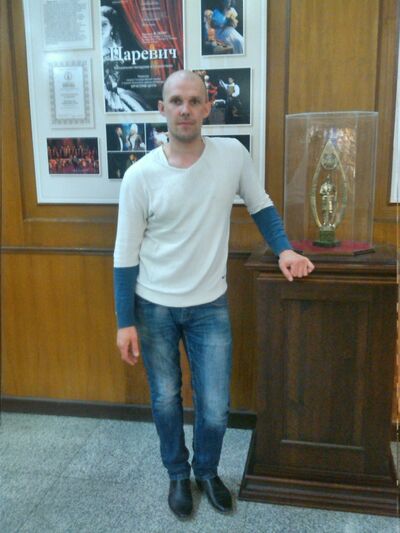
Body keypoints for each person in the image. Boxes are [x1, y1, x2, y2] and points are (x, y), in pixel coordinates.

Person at [113, 70, 314, 520]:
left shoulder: (232, 156)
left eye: (194, 101)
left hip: (209, 306)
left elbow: (261, 205)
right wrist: (125, 322)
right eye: (176, 101)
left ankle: (206, 471)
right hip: (154, 307)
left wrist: (284, 248)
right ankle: (177, 475)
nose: (185, 109)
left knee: (216, 407)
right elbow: (124, 255)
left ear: (208, 107)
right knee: (166, 399)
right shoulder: (140, 176)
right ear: (162, 110)